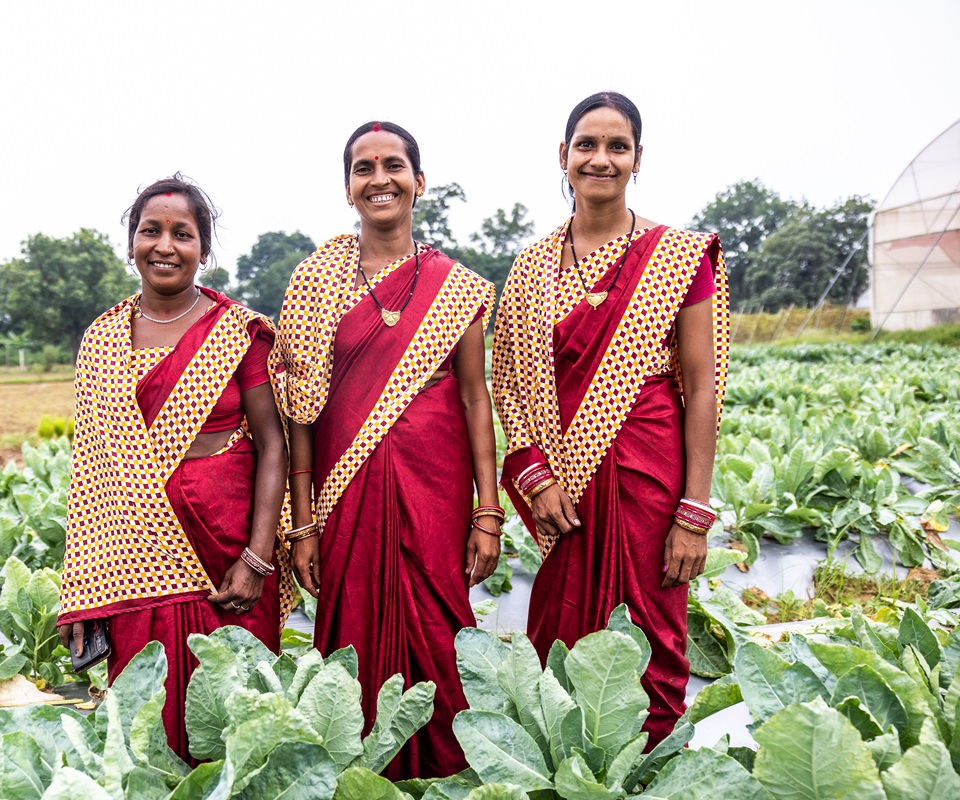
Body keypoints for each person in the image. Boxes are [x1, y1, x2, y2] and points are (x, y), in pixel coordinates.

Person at [491, 92, 730, 749]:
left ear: (638, 159)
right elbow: (507, 380)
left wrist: (694, 512)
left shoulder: (678, 256)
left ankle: (648, 769)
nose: (601, 159)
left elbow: (705, 387)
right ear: (562, 157)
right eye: (586, 145)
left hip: (649, 474)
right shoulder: (530, 268)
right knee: (560, 635)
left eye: (616, 146)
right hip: (562, 489)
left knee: (651, 630)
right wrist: (533, 477)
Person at [276, 121, 501, 780]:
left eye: (394, 164)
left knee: (440, 627)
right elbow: (299, 416)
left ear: (419, 181)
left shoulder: (455, 286)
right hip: (346, 496)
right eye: (363, 168)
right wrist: (303, 520)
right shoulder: (315, 283)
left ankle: (451, 777)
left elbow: (473, 398)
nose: (380, 178)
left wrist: (488, 510)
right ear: (348, 189)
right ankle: (362, 779)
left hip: (435, 487)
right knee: (353, 641)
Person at [58, 175, 291, 762]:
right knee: (147, 730)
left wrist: (257, 557)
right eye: (150, 231)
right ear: (131, 244)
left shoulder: (240, 331)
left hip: (229, 554)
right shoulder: (103, 339)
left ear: (203, 250)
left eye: (182, 234)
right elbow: (92, 472)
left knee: (235, 718)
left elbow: (273, 445)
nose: (165, 245)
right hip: (137, 564)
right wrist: (82, 594)